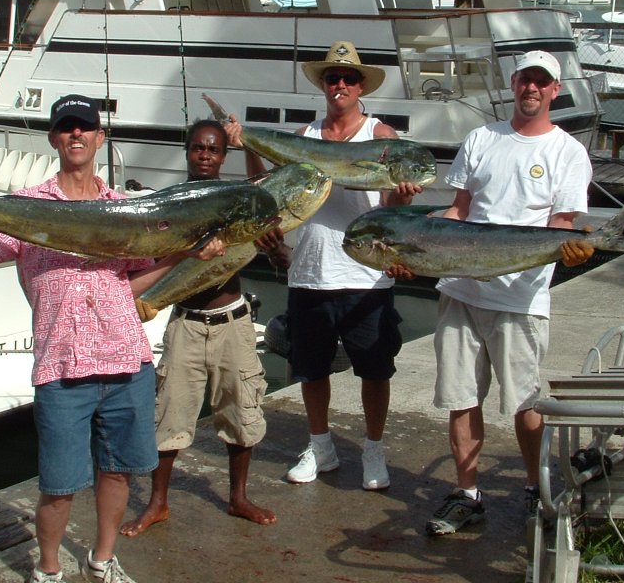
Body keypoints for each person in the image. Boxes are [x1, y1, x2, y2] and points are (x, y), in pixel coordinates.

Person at [0, 94, 224, 583]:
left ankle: (102, 560)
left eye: (84, 127)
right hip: (62, 367)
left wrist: (186, 255)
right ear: (54, 137)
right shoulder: (29, 207)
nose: (76, 135)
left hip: (125, 361)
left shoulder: (125, 210)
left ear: (98, 137)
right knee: (59, 486)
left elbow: (127, 283)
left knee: (116, 473)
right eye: (66, 127)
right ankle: (48, 571)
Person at [415, 50, 595, 536]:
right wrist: (417, 243)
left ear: (555, 90)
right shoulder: (481, 138)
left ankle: (538, 487)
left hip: (520, 298)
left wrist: (570, 248)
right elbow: (459, 210)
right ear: (513, 84)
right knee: (461, 396)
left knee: (525, 403)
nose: (532, 89)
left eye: (542, 82)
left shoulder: (568, 153)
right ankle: (467, 493)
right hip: (461, 288)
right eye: (525, 80)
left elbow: (561, 227)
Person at [227, 39, 422, 491]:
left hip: (366, 277)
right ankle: (321, 448)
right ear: (324, 85)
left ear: (360, 87)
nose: (340, 84)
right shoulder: (304, 139)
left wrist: (403, 193)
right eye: (332, 77)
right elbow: (265, 184)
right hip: (310, 273)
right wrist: (245, 144)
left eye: (348, 78)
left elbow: (390, 209)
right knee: (311, 369)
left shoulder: (381, 138)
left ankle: (373, 449)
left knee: (375, 371)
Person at [120, 120, 276, 537]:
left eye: (214, 150)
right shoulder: (170, 201)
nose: (205, 155)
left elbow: (264, 190)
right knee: (168, 417)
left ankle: (238, 496)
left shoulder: (237, 198)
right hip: (186, 322)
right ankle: (158, 502)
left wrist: (249, 146)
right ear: (187, 151)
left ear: (224, 156)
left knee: (241, 413)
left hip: (234, 322)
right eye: (198, 148)